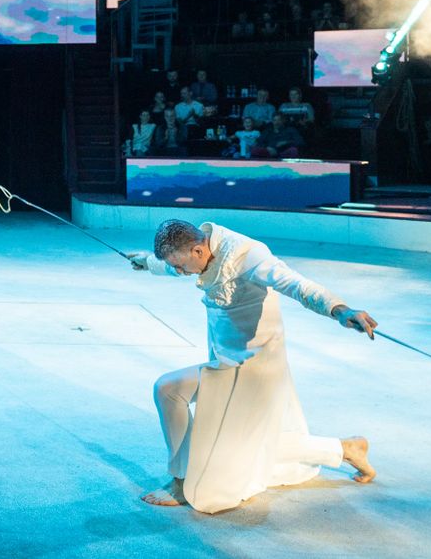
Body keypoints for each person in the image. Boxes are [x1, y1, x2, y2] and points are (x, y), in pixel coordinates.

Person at [124, 219, 377, 513]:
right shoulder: (197, 252)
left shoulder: (250, 256)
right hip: (223, 360)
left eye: (181, 267)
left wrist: (339, 309)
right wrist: (146, 262)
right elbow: (172, 265)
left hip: (255, 368)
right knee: (167, 389)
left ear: (197, 250)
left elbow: (297, 285)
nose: (180, 273)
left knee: (234, 452)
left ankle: (345, 448)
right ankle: (180, 480)